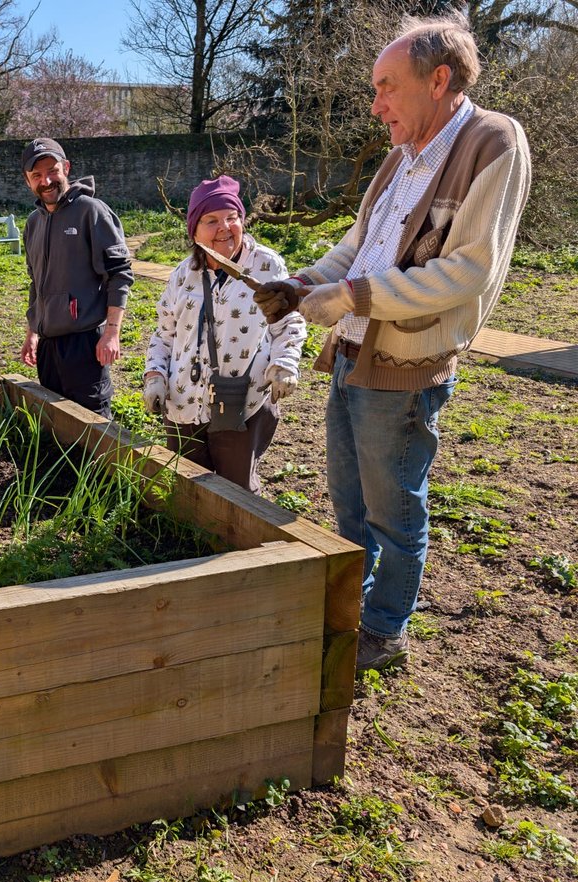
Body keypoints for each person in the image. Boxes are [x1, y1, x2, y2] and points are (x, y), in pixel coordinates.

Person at [254, 11, 532, 673]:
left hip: (406, 364)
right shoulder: (398, 160)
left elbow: (468, 272)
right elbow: (357, 249)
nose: (375, 104)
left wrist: (350, 297)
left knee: (394, 513)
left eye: (386, 87)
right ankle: (353, 611)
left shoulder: (493, 143)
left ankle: (384, 633)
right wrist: (300, 285)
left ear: (438, 81)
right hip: (351, 355)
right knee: (350, 505)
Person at [144, 175, 306, 494]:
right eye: (212, 220)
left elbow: (290, 322)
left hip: (242, 400)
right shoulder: (183, 274)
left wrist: (285, 364)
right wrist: (154, 376)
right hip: (183, 401)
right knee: (187, 488)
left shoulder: (266, 266)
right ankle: (197, 545)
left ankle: (243, 545)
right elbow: (164, 334)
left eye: (232, 218)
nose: (224, 228)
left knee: (238, 492)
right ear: (194, 229)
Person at [19, 138, 135, 418]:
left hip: (85, 343)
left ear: (66, 168)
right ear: (28, 181)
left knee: (92, 426)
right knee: (57, 424)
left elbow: (119, 273)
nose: (46, 180)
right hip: (49, 346)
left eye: (52, 170)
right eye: (37, 175)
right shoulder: (33, 223)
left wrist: (112, 332)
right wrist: (33, 332)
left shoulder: (90, 212)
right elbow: (37, 283)